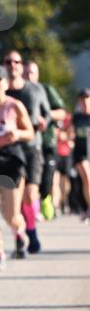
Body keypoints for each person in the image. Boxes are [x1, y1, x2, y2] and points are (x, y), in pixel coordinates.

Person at [0, 64, 34, 269]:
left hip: (11, 159)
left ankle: (19, 234)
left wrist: (17, 134)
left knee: (11, 216)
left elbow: (29, 132)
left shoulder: (15, 106)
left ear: (6, 83)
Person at [2, 50, 49, 253]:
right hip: (10, 151)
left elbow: (47, 114)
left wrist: (43, 121)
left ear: (21, 66)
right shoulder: (1, 92)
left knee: (30, 194)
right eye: (8, 62)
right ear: (4, 66)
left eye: (17, 61)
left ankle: (31, 231)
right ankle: (20, 238)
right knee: (15, 200)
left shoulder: (36, 89)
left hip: (32, 148)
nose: (13, 65)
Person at [23, 60, 66, 221]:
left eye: (32, 72)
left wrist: (46, 117)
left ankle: (45, 199)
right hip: (26, 144)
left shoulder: (45, 90)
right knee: (28, 181)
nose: (28, 76)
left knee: (47, 178)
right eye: (26, 73)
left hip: (47, 142)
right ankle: (32, 210)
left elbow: (61, 112)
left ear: (38, 74)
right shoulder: (18, 91)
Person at [71, 88, 90, 221]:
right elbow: (68, 131)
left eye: (87, 98)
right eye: (82, 99)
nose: (85, 101)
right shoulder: (77, 117)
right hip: (80, 153)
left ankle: (85, 208)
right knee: (87, 179)